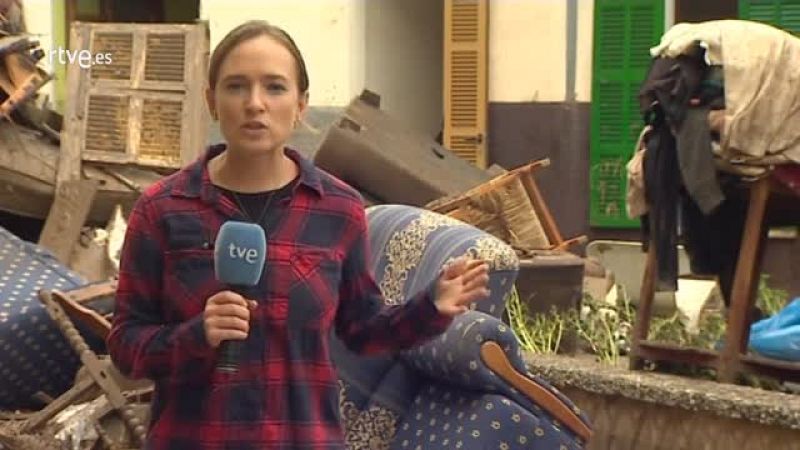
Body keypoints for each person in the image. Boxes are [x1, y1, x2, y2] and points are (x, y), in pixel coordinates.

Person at [107, 20, 490, 450]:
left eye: (274, 87)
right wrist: (196, 335)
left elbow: (362, 329)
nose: (255, 104)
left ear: (301, 104)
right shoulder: (162, 209)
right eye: (236, 87)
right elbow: (124, 346)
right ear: (211, 101)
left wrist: (431, 306)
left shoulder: (338, 209)